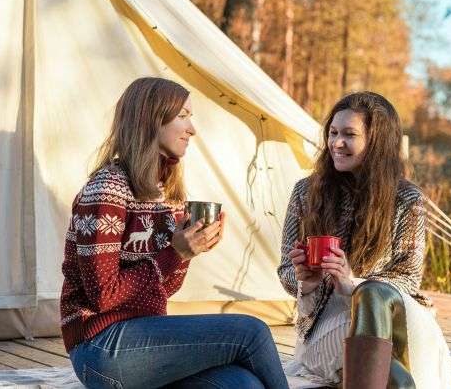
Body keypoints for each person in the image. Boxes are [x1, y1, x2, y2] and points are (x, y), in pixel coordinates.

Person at [62, 77, 290, 389]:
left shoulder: (163, 192)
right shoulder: (107, 189)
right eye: (182, 116)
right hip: (99, 347)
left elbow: (162, 290)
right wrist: (175, 254)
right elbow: (103, 296)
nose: (192, 129)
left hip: (145, 338)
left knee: (242, 384)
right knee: (252, 332)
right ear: (151, 120)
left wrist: (187, 253)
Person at [277, 92, 451, 388]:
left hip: (393, 320)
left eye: (349, 134)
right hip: (326, 328)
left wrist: (353, 284)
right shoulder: (306, 192)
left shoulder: (406, 199)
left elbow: (408, 278)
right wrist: (306, 281)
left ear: (377, 142)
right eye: (333, 133)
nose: (336, 143)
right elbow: (284, 271)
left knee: (374, 297)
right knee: (395, 370)